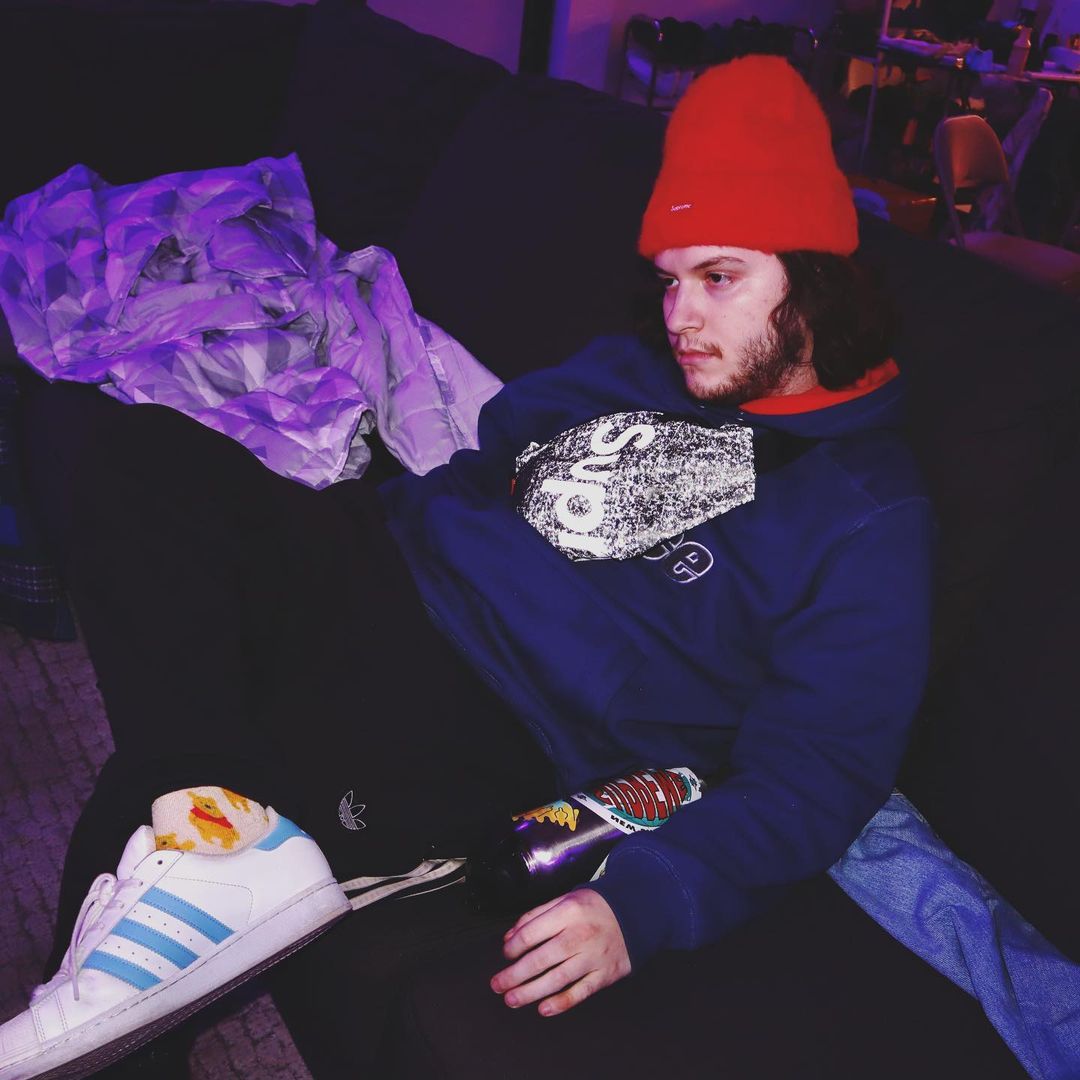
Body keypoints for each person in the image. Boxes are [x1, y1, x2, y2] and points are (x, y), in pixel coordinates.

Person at [0, 55, 933, 1079]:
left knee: (203, 787)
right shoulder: (635, 368)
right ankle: (201, 818)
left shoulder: (867, 516)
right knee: (127, 447)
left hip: (502, 712)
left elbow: (819, 772)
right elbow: (490, 454)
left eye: (718, 278)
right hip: (387, 559)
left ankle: (183, 864)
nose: (680, 316)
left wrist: (646, 904)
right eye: (671, 279)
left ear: (816, 275)